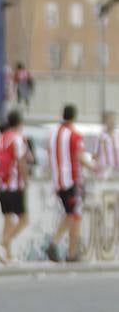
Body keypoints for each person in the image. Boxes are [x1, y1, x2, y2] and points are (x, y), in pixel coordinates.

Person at [44, 104, 93, 263]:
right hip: (71, 180)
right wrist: (94, 166)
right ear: (74, 116)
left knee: (72, 214)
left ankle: (66, 249)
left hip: (57, 181)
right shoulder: (74, 135)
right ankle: (62, 247)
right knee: (74, 214)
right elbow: (80, 158)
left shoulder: (52, 134)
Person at [0, 110, 29, 264]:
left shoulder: (0, 138)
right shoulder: (17, 138)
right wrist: (25, 180)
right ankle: (2, 245)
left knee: (8, 219)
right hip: (14, 184)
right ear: (20, 123)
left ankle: (7, 255)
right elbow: (21, 162)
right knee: (24, 219)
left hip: (0, 183)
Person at [97, 110, 119, 179]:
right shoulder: (100, 137)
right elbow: (95, 156)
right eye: (110, 119)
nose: (112, 121)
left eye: (114, 119)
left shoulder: (117, 136)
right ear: (105, 121)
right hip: (104, 173)